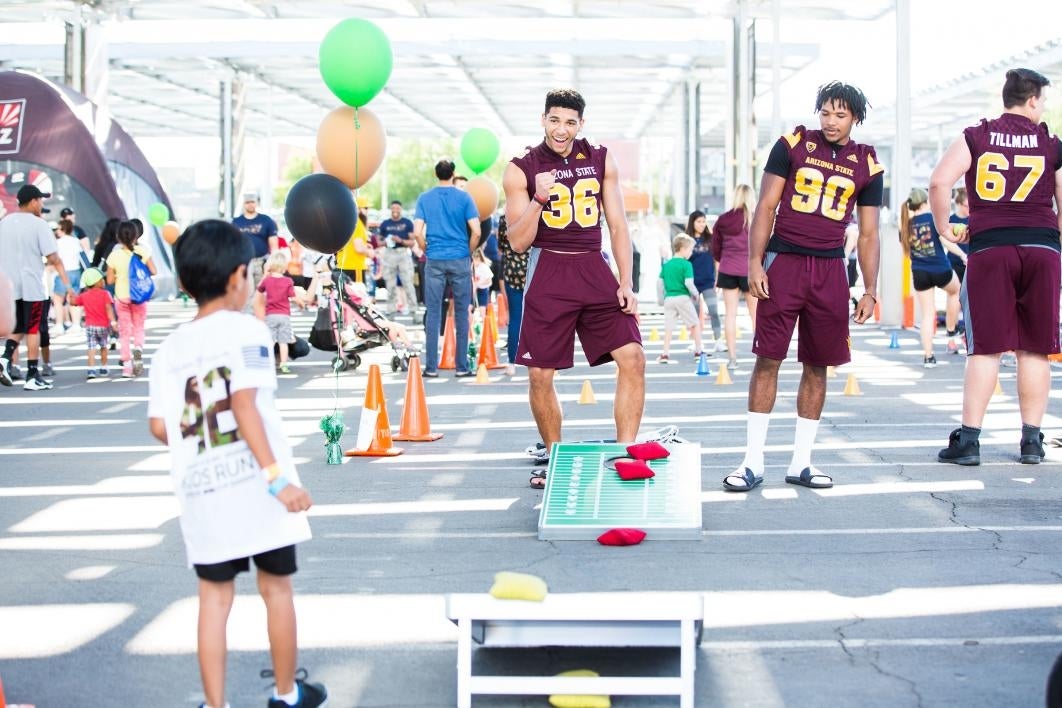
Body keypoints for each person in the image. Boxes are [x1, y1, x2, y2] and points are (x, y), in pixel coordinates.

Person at [148, 219, 326, 708]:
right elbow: (244, 404)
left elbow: (162, 427)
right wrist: (277, 481)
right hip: (257, 486)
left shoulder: (168, 349)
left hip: (203, 488)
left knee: (214, 599)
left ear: (184, 283)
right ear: (236, 279)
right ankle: (287, 695)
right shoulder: (248, 329)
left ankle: (216, 703)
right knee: (277, 592)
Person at [722, 81, 883, 493]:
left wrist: (869, 288)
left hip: (829, 269)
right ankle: (752, 461)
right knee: (768, 359)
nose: (831, 121)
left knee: (818, 364)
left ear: (856, 119)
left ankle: (801, 461)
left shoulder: (868, 164)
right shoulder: (792, 144)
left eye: (841, 115)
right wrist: (755, 262)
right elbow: (766, 206)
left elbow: (868, 234)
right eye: (826, 112)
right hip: (785, 261)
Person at [503, 88, 644, 484]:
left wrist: (626, 281)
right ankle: (554, 458)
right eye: (554, 120)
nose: (561, 129)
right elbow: (517, 241)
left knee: (633, 358)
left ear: (581, 123)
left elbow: (617, 225)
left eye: (569, 122)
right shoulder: (521, 168)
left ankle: (625, 452)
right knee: (539, 376)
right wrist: (539, 199)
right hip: (549, 270)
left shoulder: (600, 158)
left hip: (593, 268)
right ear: (542, 119)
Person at [929, 68, 1062, 467]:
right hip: (1041, 247)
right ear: (1034, 99)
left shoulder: (977, 135)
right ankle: (1032, 441)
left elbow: (939, 183)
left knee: (985, 349)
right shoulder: (1050, 144)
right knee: (1035, 348)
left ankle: (969, 441)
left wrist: (943, 227)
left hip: (990, 248)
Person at [414, 159, 480, 377]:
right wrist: (468, 252)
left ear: (436, 174)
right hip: (459, 258)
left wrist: (425, 249)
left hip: (434, 259)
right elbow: (477, 232)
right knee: (462, 312)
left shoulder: (425, 198)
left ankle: (431, 367)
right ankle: (462, 367)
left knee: (433, 312)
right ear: (453, 174)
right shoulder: (464, 198)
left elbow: (417, 232)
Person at [0, 184, 70, 391]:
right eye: (40, 200)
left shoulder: (4, 223)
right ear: (32, 202)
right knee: (33, 329)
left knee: (18, 326)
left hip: (10, 285)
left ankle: (4, 359)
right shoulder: (39, 225)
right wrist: (68, 285)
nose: (42, 204)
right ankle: (32, 375)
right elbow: (53, 257)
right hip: (32, 286)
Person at [899, 188, 964, 367]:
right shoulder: (932, 219)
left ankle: (928, 357)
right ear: (925, 202)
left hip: (920, 273)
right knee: (956, 290)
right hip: (940, 269)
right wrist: (962, 255)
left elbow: (906, 252)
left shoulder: (906, 225)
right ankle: (951, 330)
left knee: (928, 314)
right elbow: (946, 242)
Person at [712, 184, 759, 371]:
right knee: (756, 316)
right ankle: (759, 357)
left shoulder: (724, 219)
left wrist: (720, 261)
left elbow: (716, 247)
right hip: (751, 271)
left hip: (728, 269)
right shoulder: (757, 219)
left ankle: (732, 358)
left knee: (730, 315)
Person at [106, 220, 157, 378]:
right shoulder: (143, 252)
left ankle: (127, 367)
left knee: (125, 331)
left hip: (121, 297)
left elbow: (109, 281)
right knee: (138, 327)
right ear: (136, 235)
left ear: (118, 237)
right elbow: (153, 271)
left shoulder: (114, 255)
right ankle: (138, 350)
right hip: (139, 297)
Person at [656, 234, 703, 363]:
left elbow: (659, 283)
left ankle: (665, 353)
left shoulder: (667, 265)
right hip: (683, 298)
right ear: (682, 249)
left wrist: (660, 299)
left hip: (669, 299)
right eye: (690, 249)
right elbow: (688, 283)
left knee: (669, 327)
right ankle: (699, 351)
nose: (691, 253)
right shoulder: (686, 265)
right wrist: (696, 294)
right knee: (695, 324)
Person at [256, 251, 299, 375]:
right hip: (284, 315)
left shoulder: (267, 281)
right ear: (284, 266)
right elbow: (292, 296)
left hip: (271, 315)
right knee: (283, 342)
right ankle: (284, 364)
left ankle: (266, 363)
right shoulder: (288, 281)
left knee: (269, 341)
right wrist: (301, 303)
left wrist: (265, 275)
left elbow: (259, 289)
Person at [71, 268, 117, 379]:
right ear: (96, 282)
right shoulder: (106, 294)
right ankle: (104, 366)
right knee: (103, 347)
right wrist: (113, 321)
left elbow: (74, 302)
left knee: (91, 347)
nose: (104, 281)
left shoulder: (85, 295)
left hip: (90, 326)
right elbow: (109, 308)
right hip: (103, 326)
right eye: (102, 279)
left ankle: (91, 369)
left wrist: (71, 294)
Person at [497, 215, 529, 377]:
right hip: (533, 270)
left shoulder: (505, 218)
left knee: (515, 319)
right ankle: (538, 361)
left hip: (512, 272)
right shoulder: (538, 211)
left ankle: (511, 363)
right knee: (537, 319)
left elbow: (501, 247)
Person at [685, 210, 721, 347]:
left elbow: (716, 260)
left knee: (714, 311)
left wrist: (718, 279)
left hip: (708, 282)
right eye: (698, 221)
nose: (701, 224)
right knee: (694, 314)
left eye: (703, 221)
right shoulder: (686, 239)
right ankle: (696, 343)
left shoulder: (711, 239)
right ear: (692, 222)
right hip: (691, 284)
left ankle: (718, 341)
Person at [378, 200, 417, 315]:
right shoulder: (385, 224)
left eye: (397, 208)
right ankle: (391, 310)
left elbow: (412, 242)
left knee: (408, 283)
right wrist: (386, 241)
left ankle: (414, 309)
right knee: (390, 284)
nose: (395, 210)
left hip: (403, 253)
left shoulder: (407, 223)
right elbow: (379, 241)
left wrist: (401, 240)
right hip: (389, 253)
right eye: (393, 208)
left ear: (401, 209)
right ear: (391, 209)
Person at [232, 192, 278, 288]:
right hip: (244, 263)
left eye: (252, 202)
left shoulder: (266, 220)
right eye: (247, 202)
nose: (250, 204)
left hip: (262, 262)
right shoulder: (236, 222)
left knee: (262, 292)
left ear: (256, 203)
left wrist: (272, 262)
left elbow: (274, 245)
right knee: (245, 292)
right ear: (244, 204)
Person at [52, 218, 85, 331]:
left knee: (58, 299)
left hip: (63, 272)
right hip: (76, 271)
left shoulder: (58, 242)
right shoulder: (76, 241)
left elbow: (55, 259)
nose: (56, 231)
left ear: (62, 229)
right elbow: (82, 256)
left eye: (58, 228)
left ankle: (59, 324)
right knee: (74, 298)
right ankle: (76, 324)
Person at [335, 196, 374, 291]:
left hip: (343, 265)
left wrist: (365, 246)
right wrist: (369, 252)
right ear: (358, 209)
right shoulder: (358, 224)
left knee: (346, 299)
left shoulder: (347, 222)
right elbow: (358, 248)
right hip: (354, 266)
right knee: (357, 299)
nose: (367, 211)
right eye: (365, 208)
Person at [947, 187, 971, 282]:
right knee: (955, 294)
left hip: (970, 263)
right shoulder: (950, 221)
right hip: (954, 262)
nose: (969, 209)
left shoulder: (973, 220)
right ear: (959, 204)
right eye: (966, 206)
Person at [472, 247, 493, 317]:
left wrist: (479, 284)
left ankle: (484, 322)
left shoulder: (484, 267)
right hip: (473, 290)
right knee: (470, 307)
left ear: (478, 258)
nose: (473, 262)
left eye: (474, 260)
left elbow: (489, 280)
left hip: (483, 289)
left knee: (482, 309)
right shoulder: (472, 266)